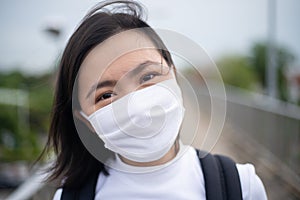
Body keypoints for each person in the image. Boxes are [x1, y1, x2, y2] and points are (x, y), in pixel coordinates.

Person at [40, 0, 267, 199]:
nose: (136, 107)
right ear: (85, 120)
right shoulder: (70, 197)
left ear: (174, 75)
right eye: (106, 95)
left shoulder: (240, 185)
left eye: (148, 76)